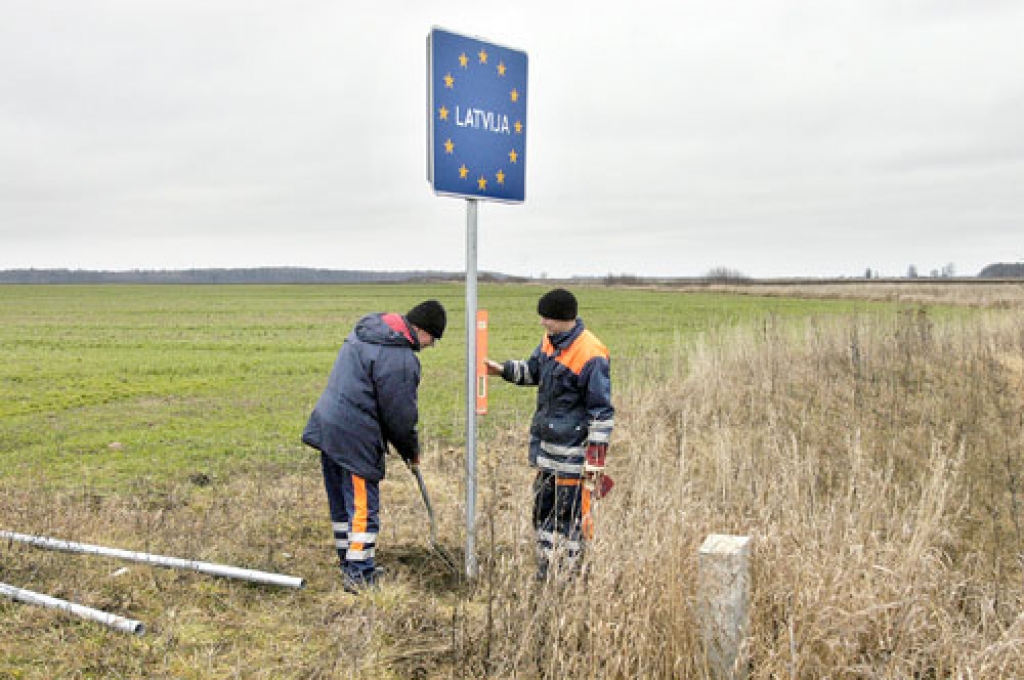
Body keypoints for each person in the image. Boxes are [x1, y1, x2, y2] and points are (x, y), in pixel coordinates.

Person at [302, 299, 446, 593]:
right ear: (420, 330)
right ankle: (359, 575)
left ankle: (349, 562)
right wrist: (410, 450)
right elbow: (400, 415)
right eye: (433, 338)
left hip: (329, 426)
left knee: (342, 504)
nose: (431, 346)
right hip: (355, 435)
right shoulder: (400, 358)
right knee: (363, 507)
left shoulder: (366, 332)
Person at [485, 288, 614, 581]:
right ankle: (546, 568)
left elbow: (601, 412)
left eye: (547, 318)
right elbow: (534, 372)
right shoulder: (550, 342)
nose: (542, 323)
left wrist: (595, 462)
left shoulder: (591, 354)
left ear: (563, 318)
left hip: (572, 456)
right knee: (543, 512)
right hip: (546, 452)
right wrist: (503, 370)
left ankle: (568, 576)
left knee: (568, 518)